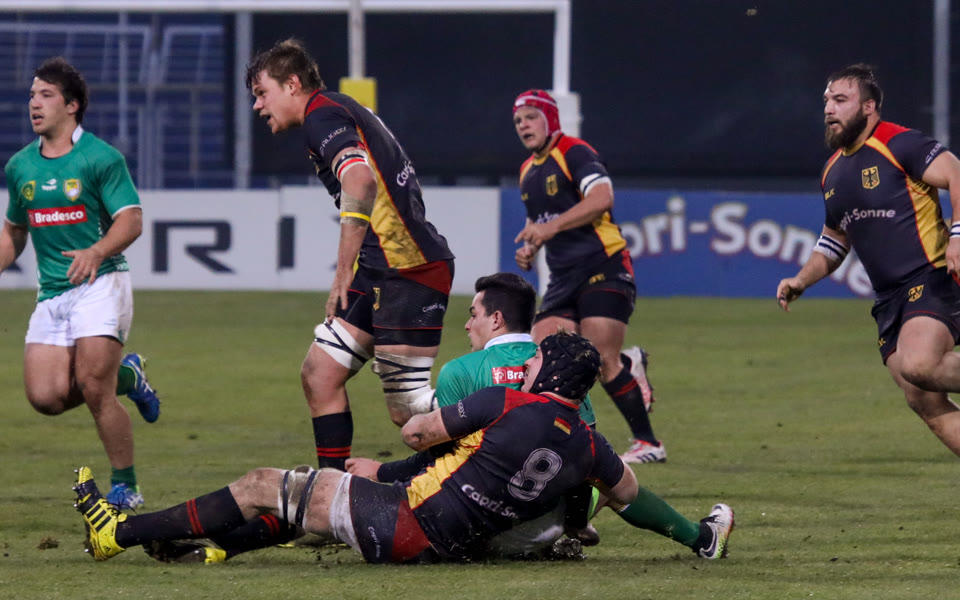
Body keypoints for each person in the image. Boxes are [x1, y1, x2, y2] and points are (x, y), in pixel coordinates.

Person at [72, 332, 638, 565]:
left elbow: (416, 435)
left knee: (263, 483)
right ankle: (206, 548)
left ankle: (117, 533)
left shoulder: (508, 402)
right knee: (303, 495)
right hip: (445, 535)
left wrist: (433, 415)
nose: (529, 364)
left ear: (552, 371)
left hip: (410, 524)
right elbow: (627, 493)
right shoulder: (588, 444)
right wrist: (577, 522)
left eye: (537, 360)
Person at [351, 273, 733, 560]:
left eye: (473, 314)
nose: (467, 325)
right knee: (611, 478)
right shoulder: (563, 368)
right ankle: (701, 537)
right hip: (540, 523)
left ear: (495, 319)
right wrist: (576, 523)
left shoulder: (461, 371)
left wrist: (382, 472)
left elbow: (437, 458)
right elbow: (584, 462)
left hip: (462, 522)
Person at [245, 39, 455, 470]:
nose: (257, 106)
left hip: (407, 269)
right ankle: (331, 494)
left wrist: (342, 270)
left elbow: (359, 181)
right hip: (382, 268)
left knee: (409, 410)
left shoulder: (321, 115)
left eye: (262, 93)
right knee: (320, 373)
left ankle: (517, 417)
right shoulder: (335, 109)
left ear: (292, 84)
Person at [0, 56, 161, 510]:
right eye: (31, 96)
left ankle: (126, 486)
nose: (34, 104)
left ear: (72, 105)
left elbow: (132, 221)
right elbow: (14, 229)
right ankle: (129, 376)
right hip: (53, 293)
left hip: (102, 282)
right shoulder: (20, 166)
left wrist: (96, 251)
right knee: (46, 398)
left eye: (46, 95)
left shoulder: (101, 158)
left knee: (93, 386)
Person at [777, 64, 960, 457]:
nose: (829, 108)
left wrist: (958, 235)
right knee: (923, 400)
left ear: (868, 107)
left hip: (930, 277)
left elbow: (956, 173)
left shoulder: (899, 143)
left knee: (920, 365)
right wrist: (801, 280)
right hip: (888, 301)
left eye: (840, 100)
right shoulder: (832, 172)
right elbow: (834, 240)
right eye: (827, 100)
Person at [510, 89, 665, 463]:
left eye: (531, 117)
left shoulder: (574, 152)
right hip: (562, 278)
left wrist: (550, 228)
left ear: (550, 119)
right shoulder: (527, 171)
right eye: (517, 121)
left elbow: (601, 199)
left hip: (603, 265)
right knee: (544, 357)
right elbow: (540, 221)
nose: (523, 126)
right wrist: (531, 247)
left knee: (601, 358)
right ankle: (560, 445)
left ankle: (648, 444)